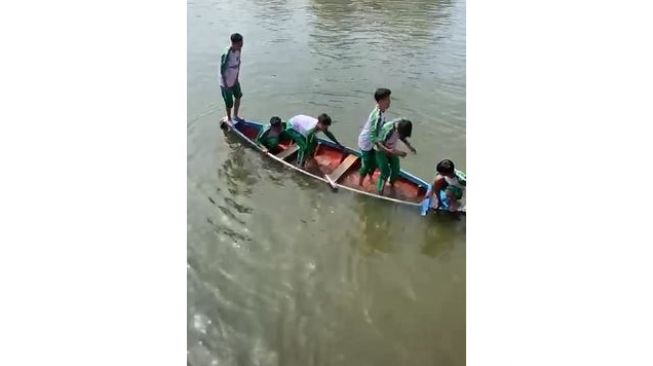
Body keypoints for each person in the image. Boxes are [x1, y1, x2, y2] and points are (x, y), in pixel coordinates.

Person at [358, 88, 413, 186]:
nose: (389, 102)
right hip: (366, 143)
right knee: (367, 165)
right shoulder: (377, 117)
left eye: (389, 99)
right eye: (387, 99)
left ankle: (370, 177)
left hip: (375, 142)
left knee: (374, 163)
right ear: (380, 101)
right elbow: (373, 138)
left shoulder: (381, 110)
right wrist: (387, 150)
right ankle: (360, 184)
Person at [373, 119, 415, 195]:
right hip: (380, 150)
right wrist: (394, 152)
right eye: (401, 134)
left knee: (396, 169)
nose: (401, 136)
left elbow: (402, 137)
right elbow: (378, 143)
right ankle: (379, 192)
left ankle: (391, 183)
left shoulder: (401, 127)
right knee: (385, 171)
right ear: (398, 130)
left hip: (391, 148)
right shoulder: (388, 129)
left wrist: (409, 146)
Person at [219, 33, 244, 130]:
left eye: (242, 43)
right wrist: (225, 84)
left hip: (234, 79)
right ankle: (229, 119)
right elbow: (222, 69)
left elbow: (238, 63)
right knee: (229, 102)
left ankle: (236, 116)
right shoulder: (227, 53)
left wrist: (237, 77)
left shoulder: (239, 49)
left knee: (238, 96)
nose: (241, 45)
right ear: (233, 43)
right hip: (225, 82)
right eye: (239, 44)